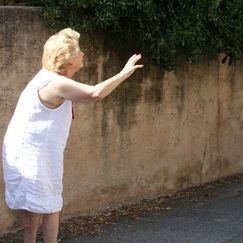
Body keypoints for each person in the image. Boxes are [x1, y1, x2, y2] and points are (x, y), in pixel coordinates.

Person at [2, 28, 143, 242]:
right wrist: (124, 73)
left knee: (38, 207)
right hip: (31, 154)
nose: (83, 54)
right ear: (68, 60)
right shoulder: (56, 83)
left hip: (31, 150)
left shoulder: (47, 76)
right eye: (79, 51)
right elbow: (94, 93)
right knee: (49, 206)